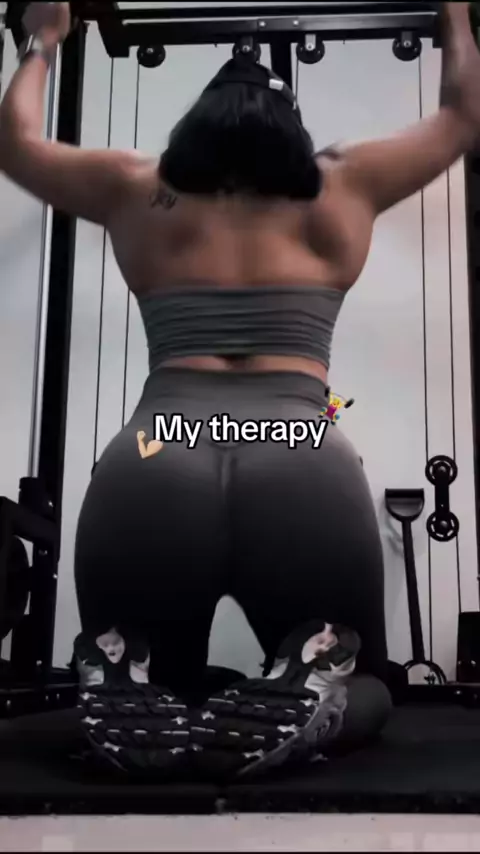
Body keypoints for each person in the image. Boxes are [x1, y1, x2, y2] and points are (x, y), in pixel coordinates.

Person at [0, 1, 479, 780]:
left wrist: (42, 40)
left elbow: (16, 144)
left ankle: (131, 673)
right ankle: (319, 688)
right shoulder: (343, 182)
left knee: (173, 683)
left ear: (195, 128)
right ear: (288, 129)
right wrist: (455, 14)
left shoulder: (135, 184)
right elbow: (462, 117)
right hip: (299, 452)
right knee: (371, 684)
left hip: (158, 451)